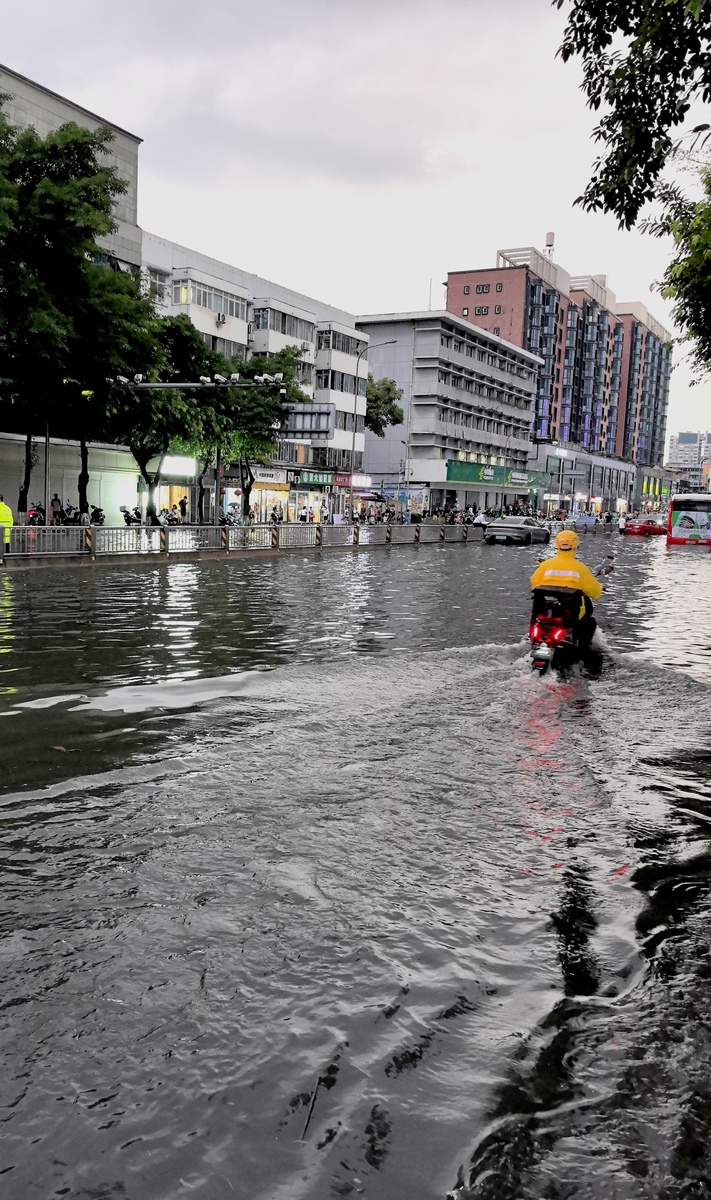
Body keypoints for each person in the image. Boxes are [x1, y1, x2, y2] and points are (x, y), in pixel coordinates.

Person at [530, 529, 603, 646]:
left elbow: (535, 583)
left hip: (544, 613)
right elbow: (595, 592)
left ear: (557, 544)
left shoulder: (545, 565)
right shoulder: (580, 568)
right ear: (576, 546)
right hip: (569, 616)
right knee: (590, 622)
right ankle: (582, 653)